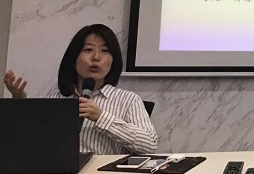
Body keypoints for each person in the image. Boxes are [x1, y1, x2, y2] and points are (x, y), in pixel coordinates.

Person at [4, 23, 158, 155]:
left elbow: (150, 145)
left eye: (105, 51)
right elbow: (31, 142)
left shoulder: (128, 100)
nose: (96, 57)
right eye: (88, 50)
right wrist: (20, 101)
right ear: (73, 59)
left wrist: (101, 117)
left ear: (113, 61)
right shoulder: (56, 99)